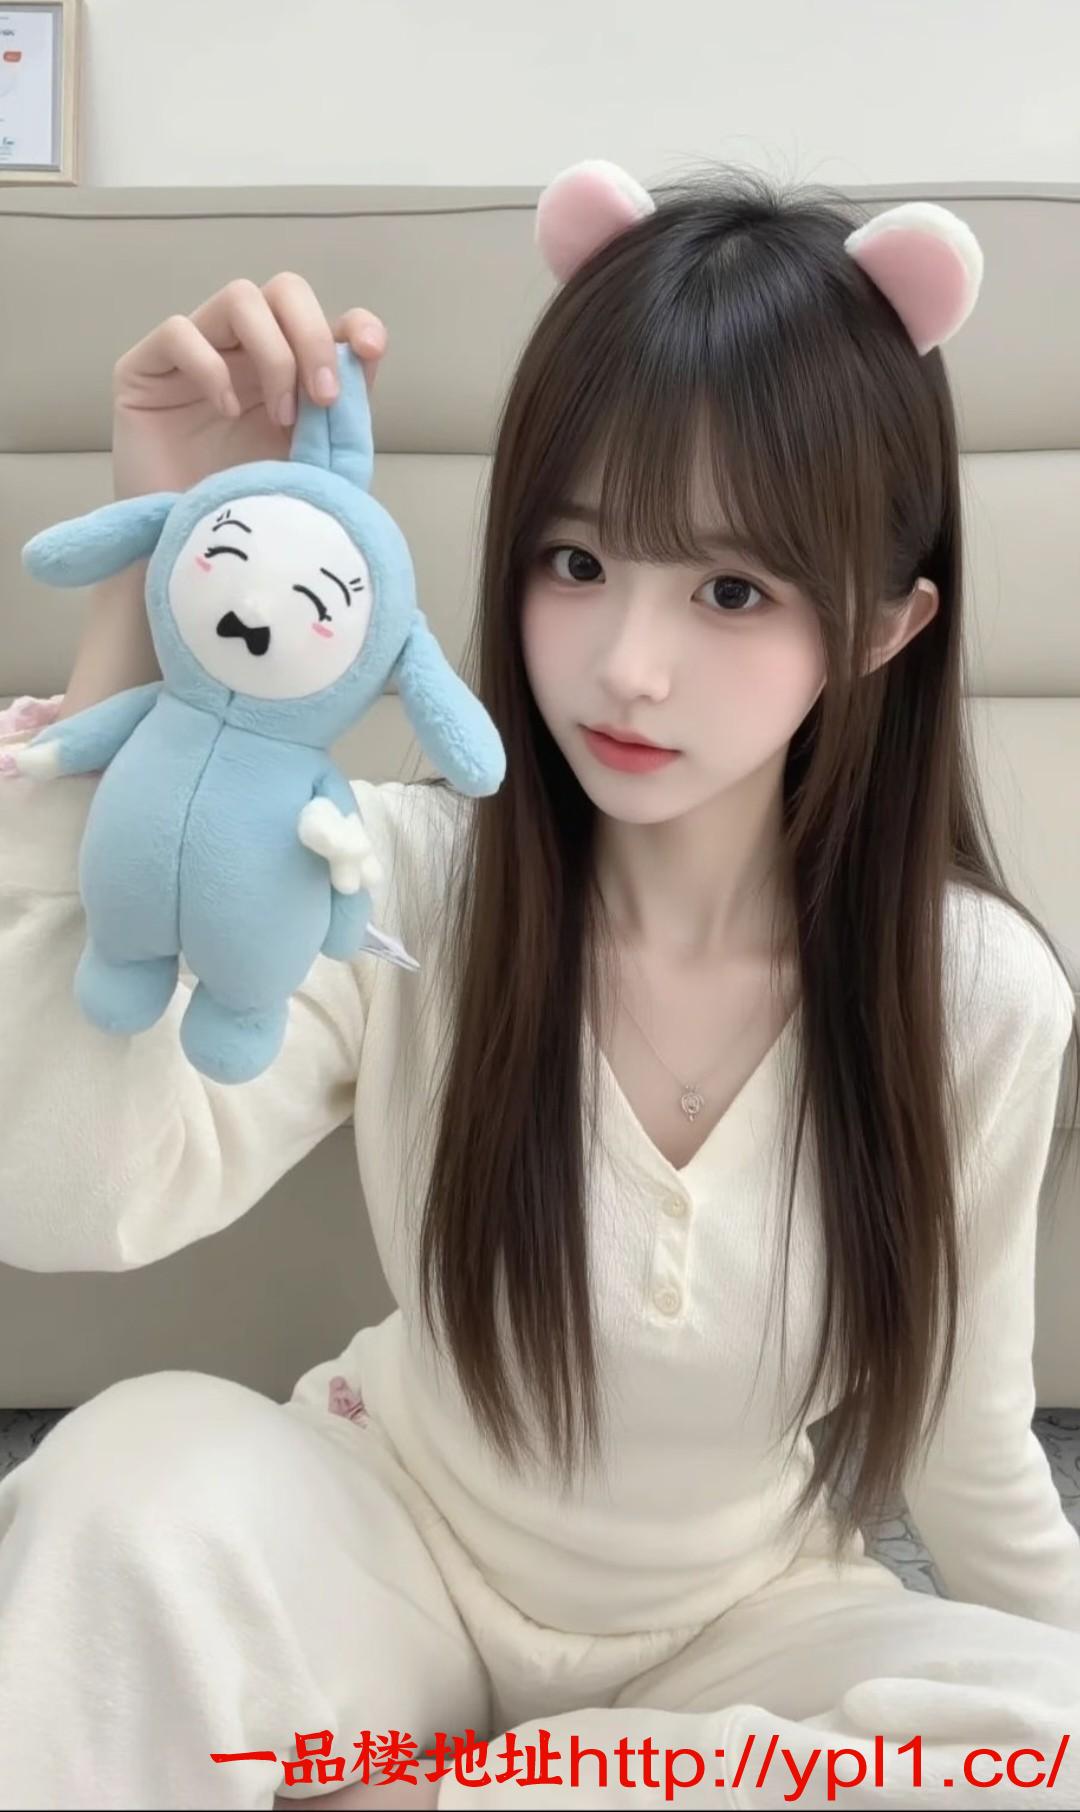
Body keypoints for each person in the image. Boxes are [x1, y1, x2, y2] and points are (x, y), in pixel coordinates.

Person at [0, 160, 1077, 1811]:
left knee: (1043, 1742)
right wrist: (160, 600)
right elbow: (66, 1195)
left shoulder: (974, 991)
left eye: (731, 590)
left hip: (746, 1629)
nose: (625, 666)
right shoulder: (392, 873)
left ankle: (436, 1784)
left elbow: (966, 1439)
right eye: (575, 561)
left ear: (883, 624)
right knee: (126, 1484)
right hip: (381, 1556)